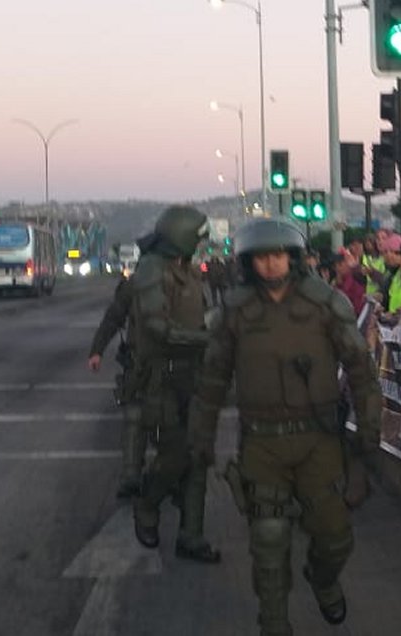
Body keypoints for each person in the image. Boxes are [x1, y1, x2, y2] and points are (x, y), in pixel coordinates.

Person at [187, 219, 383, 633]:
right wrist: (201, 437)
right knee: (269, 542)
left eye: (278, 255)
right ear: (249, 262)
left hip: (319, 440)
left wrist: (368, 432)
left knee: (334, 537)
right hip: (262, 443)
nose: (271, 264)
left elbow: (361, 371)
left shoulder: (325, 304)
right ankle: (273, 623)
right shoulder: (235, 311)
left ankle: (323, 580)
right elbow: (212, 380)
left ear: (292, 257)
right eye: (262, 256)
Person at [129, 206, 221, 563]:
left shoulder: (186, 269)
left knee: (199, 456)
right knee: (175, 454)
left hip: (194, 374)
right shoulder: (152, 269)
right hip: (164, 377)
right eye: (196, 240)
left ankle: (191, 535)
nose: (200, 247)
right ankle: (148, 503)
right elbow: (156, 326)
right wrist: (204, 339)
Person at [87, 272, 146, 498]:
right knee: (135, 415)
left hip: (171, 363)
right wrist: (96, 350)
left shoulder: (188, 280)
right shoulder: (138, 284)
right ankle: (132, 474)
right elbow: (114, 318)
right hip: (143, 361)